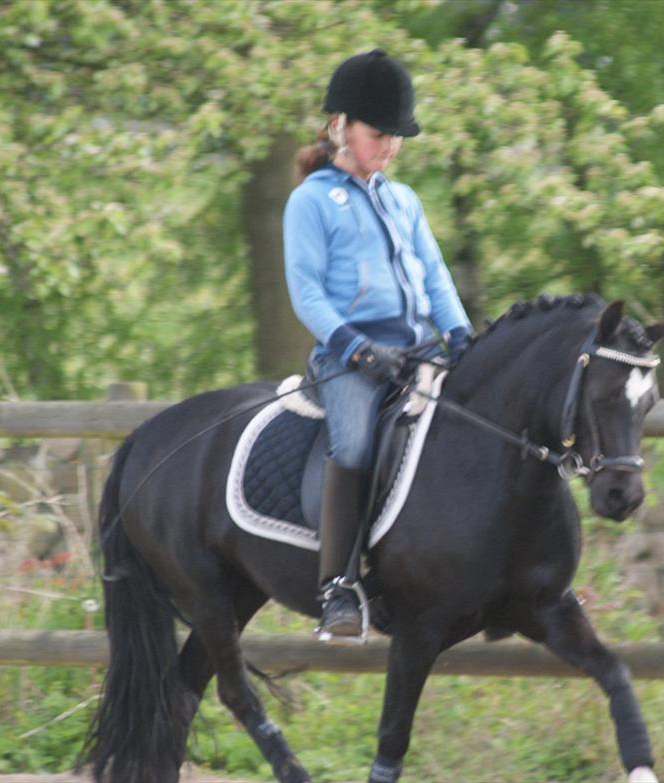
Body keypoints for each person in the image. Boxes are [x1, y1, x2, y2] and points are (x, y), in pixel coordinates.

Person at [283, 49, 473, 641]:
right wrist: (357, 349)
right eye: (378, 135)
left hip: (418, 351)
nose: (389, 147)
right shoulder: (311, 201)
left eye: (396, 137)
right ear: (340, 126)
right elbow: (306, 293)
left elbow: (435, 276)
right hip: (350, 360)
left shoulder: (402, 199)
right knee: (356, 443)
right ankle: (338, 586)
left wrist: (461, 334)